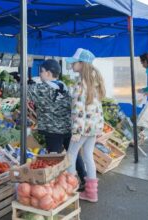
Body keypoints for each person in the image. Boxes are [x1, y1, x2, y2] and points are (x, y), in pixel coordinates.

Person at [0, 59, 87, 189]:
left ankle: (56, 187)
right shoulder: (63, 85)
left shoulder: (45, 88)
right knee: (73, 154)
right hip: (67, 127)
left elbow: (22, 90)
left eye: (41, 71)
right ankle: (84, 179)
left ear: (48, 73)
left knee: (53, 160)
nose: (40, 74)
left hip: (53, 131)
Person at [66, 48, 105, 203]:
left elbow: (78, 110)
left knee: (70, 155)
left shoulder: (80, 85)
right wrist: (100, 128)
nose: (71, 65)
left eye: (73, 62)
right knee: (88, 156)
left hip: (81, 128)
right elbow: (98, 109)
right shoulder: (95, 82)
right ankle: (91, 193)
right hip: (93, 127)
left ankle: (70, 190)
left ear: (81, 64)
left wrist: (76, 130)